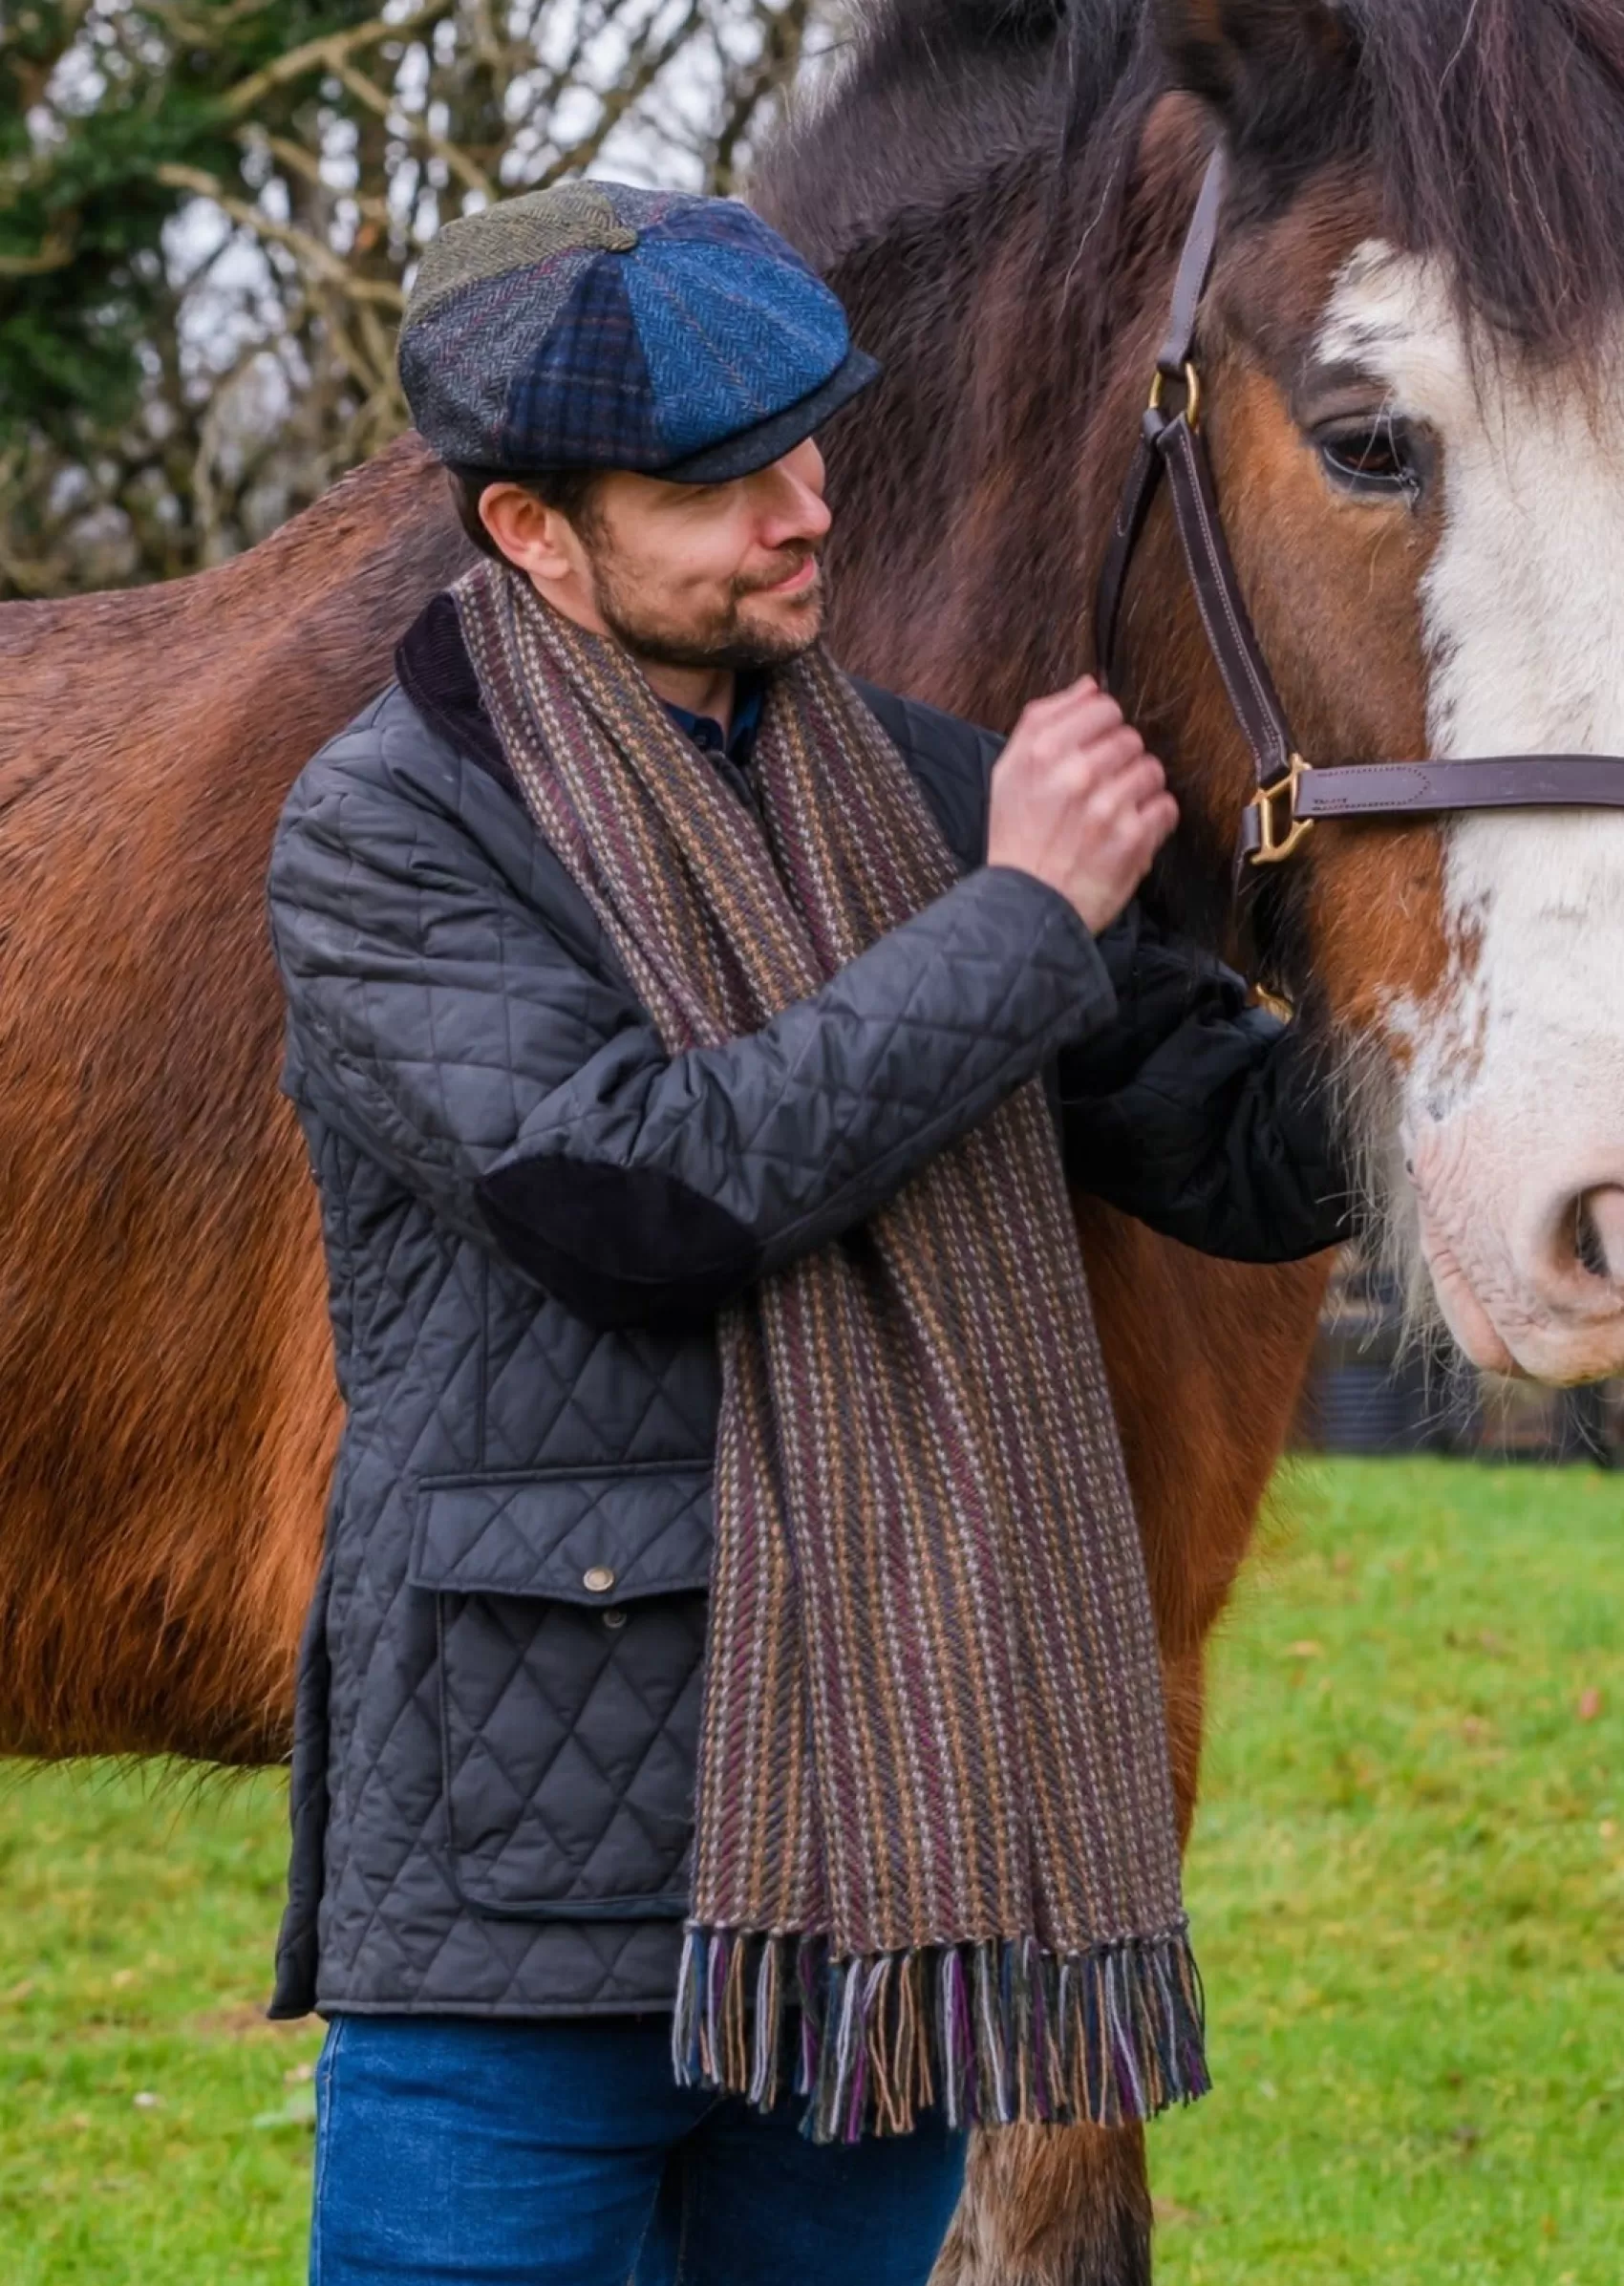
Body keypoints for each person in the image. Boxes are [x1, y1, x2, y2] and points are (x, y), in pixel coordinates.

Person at [265, 181, 1347, 2286]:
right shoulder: (388, 830)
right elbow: (641, 1196)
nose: (798, 508)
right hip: (525, 1905)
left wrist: (1503, 1039)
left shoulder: (927, 794)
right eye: (713, 481)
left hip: (887, 1874)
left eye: (802, 442)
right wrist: (1024, 916)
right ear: (532, 536)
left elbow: (1222, 1138)